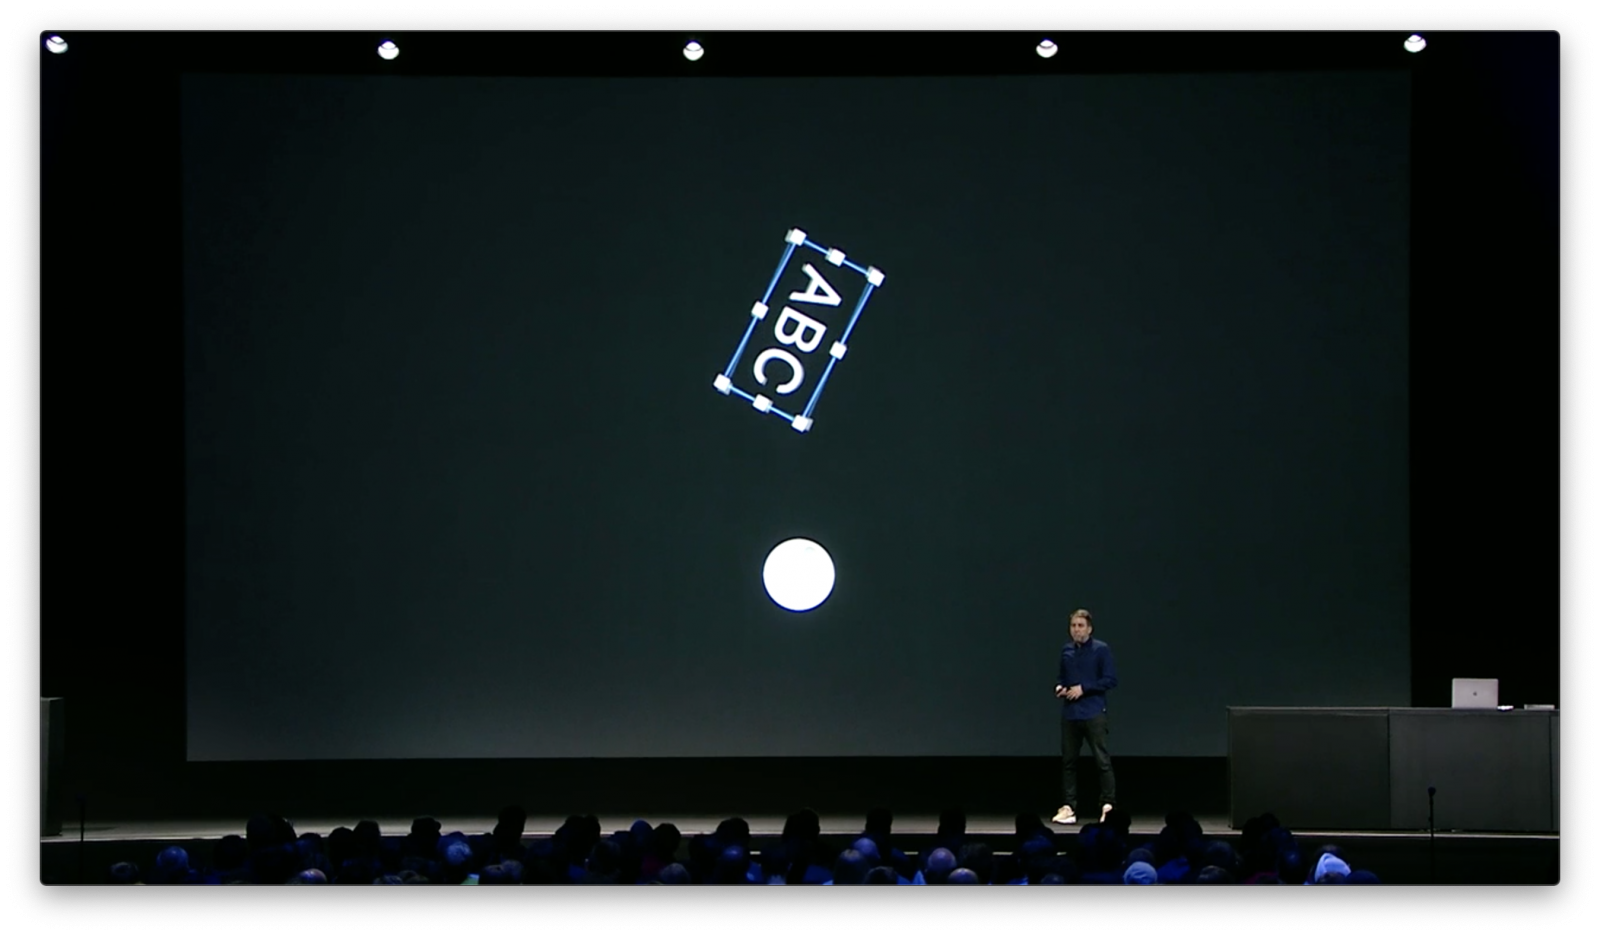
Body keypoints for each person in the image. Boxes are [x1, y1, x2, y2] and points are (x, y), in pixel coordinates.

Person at [1053, 608, 1118, 825]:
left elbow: (1110, 679)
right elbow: (1062, 677)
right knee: (1069, 762)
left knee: (1102, 760)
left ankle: (1108, 804)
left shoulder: (1101, 650)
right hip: (1071, 714)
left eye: (1080, 626)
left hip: (1093, 712)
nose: (1076, 630)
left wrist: (1084, 688)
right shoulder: (1066, 651)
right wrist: (1060, 687)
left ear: (1089, 629)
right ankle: (1069, 806)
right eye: (1073, 626)